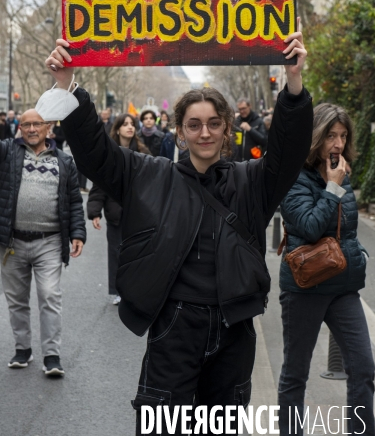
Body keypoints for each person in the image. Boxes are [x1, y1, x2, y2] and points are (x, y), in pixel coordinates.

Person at [45, 24, 312, 434]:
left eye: (212, 123)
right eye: (193, 124)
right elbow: (96, 156)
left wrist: (293, 84)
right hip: (174, 326)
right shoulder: (147, 174)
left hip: (233, 329)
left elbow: (288, 151)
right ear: (180, 132)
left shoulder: (252, 181)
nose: (204, 132)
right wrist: (69, 87)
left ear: (226, 129)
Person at [278, 103, 375, 436]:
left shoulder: (342, 173)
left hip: (344, 287)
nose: (337, 144)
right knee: (295, 375)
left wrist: (357, 255)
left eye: (343, 136)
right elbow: (308, 226)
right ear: (315, 136)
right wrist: (332, 188)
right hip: (305, 288)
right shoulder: (294, 177)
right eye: (330, 136)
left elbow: (344, 230)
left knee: (363, 369)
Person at [0, 109, 86, 376]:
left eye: (37, 123)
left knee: (49, 295)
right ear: (20, 128)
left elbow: (73, 200)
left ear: (48, 126)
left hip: (49, 241)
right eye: (26, 124)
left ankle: (52, 355)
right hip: (12, 241)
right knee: (16, 300)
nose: (32, 128)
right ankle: (22, 349)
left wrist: (78, 233)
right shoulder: (7, 153)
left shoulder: (64, 161)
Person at [87, 113, 149, 305]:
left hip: (138, 212)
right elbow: (100, 184)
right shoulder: (108, 153)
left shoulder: (143, 152)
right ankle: (116, 290)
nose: (130, 127)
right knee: (116, 252)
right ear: (118, 128)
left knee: (138, 252)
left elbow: (152, 182)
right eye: (125, 124)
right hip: (115, 213)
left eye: (132, 124)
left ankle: (137, 289)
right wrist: (95, 211)